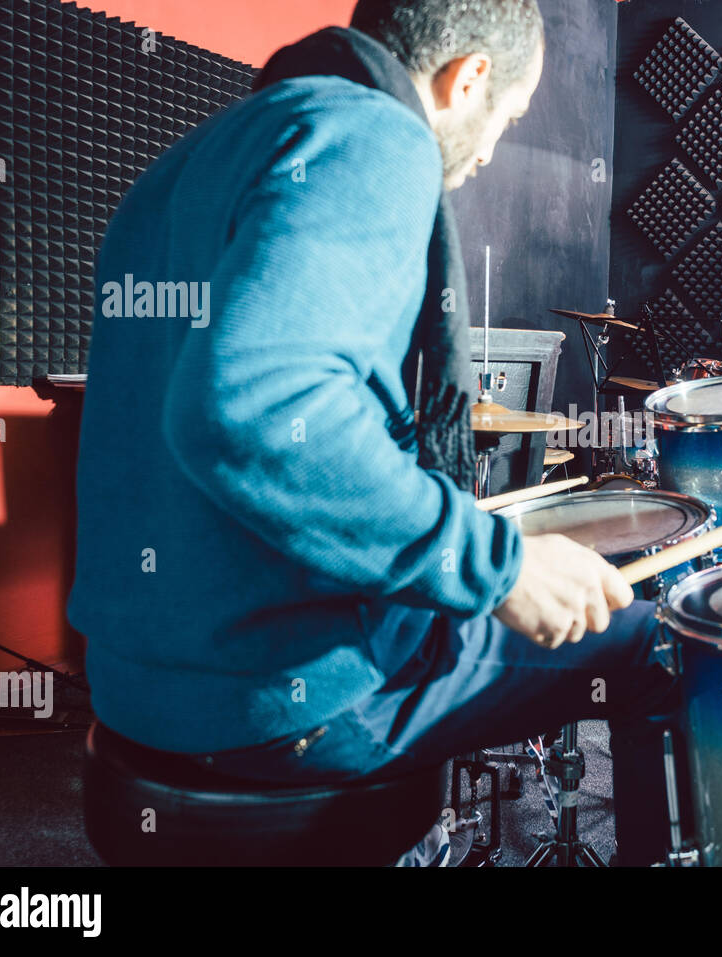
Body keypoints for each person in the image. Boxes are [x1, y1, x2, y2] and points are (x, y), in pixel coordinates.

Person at [68, 0, 680, 866]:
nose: (492, 149)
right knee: (656, 642)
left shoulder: (186, 164)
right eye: (504, 118)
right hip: (283, 701)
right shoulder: (372, 137)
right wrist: (494, 563)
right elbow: (253, 408)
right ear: (465, 79)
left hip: (134, 689)